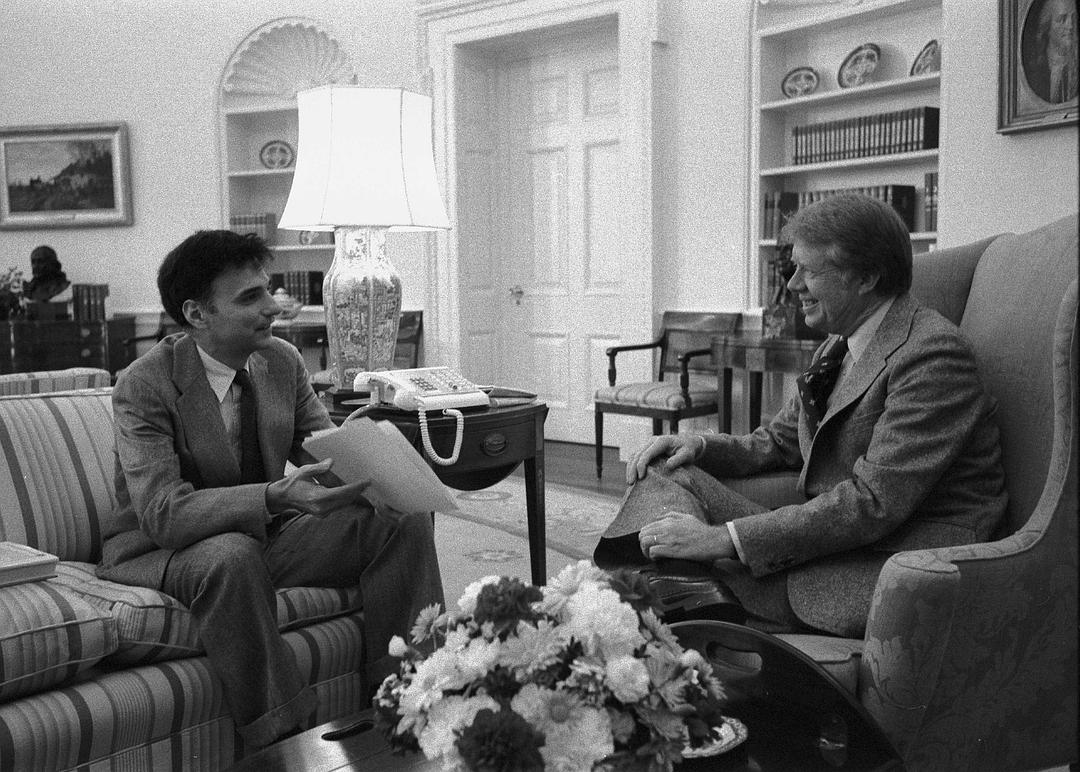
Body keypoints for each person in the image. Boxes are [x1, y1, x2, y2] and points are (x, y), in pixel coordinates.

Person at [594, 193, 1007, 639]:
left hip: (890, 559)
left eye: (808, 271)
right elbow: (778, 441)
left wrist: (722, 538)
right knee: (667, 465)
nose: (792, 285)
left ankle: (666, 599)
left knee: (667, 586)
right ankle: (675, 592)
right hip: (827, 537)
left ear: (866, 277)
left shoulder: (932, 355)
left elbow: (873, 503)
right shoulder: (839, 345)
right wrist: (699, 444)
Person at [96, 230, 444, 748]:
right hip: (161, 549)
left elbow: (327, 453)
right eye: (250, 297)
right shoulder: (145, 383)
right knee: (232, 556)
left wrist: (387, 476)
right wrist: (273, 496)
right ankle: (285, 741)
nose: (272, 307)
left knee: (400, 520)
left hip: (263, 536)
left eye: (267, 289)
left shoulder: (280, 361)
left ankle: (411, 698)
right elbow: (164, 513)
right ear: (196, 314)